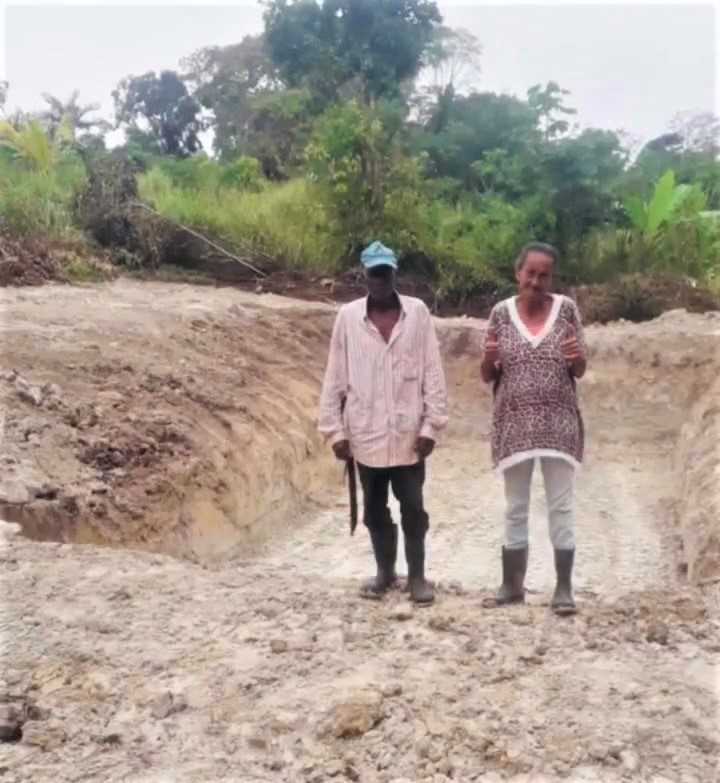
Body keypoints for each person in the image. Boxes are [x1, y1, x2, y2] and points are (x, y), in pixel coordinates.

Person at [318, 241, 448, 604]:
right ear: (364, 275)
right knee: (375, 512)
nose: (379, 279)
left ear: (394, 273)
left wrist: (431, 426)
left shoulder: (417, 313)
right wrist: (335, 432)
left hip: (408, 438)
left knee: (413, 509)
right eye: (373, 272)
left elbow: (432, 372)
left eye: (385, 272)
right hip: (366, 436)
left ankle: (418, 578)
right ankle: (385, 572)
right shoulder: (347, 318)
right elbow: (335, 376)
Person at [481, 242, 587, 615]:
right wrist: (488, 360)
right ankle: (512, 585)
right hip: (514, 425)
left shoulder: (567, 311)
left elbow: (579, 368)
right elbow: (487, 374)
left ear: (551, 278)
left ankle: (563, 588)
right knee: (515, 507)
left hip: (558, 425)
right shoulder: (499, 314)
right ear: (518, 273)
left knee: (561, 506)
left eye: (544, 275)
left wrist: (577, 359)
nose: (536, 281)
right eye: (531, 273)